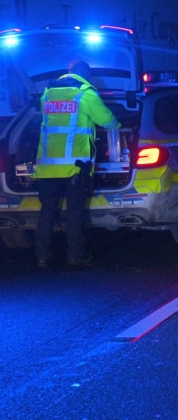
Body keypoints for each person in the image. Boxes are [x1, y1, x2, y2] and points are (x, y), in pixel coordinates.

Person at [34, 60, 120, 268]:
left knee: (47, 211)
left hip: (47, 166)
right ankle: (75, 256)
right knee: (75, 212)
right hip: (75, 167)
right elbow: (106, 120)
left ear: (69, 72)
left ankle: (42, 257)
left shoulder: (48, 92)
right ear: (86, 76)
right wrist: (117, 124)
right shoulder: (85, 93)